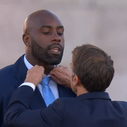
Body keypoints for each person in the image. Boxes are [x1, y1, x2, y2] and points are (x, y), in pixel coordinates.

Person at [5, 44, 127, 127]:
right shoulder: (123, 110)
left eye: (71, 69)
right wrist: (79, 83)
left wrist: (29, 83)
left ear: (75, 79)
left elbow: (14, 118)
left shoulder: (64, 109)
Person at [0, 10, 75, 127]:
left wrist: (77, 86)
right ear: (26, 40)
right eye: (46, 32)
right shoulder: (3, 81)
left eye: (60, 33)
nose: (57, 38)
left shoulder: (75, 85)